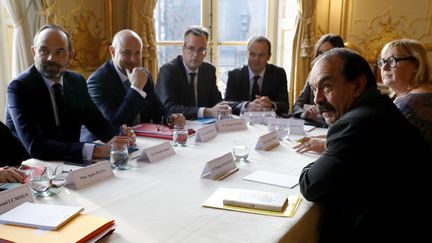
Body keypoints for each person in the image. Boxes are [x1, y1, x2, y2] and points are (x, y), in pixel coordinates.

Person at [299, 48, 430, 243]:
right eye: (313, 88)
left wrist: (316, 163)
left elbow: (310, 185)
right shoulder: (378, 108)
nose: (317, 99)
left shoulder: (355, 123)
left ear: (358, 86)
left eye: (326, 86)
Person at [6, 24, 134, 163]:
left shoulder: (76, 82)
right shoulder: (19, 88)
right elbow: (36, 147)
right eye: (44, 50)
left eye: (59, 52)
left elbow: (99, 125)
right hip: (32, 169)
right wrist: (95, 151)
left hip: (72, 165)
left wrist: (121, 136)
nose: (51, 58)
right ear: (33, 52)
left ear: (70, 55)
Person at [82, 29, 184, 141]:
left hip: (141, 140)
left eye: (137, 53)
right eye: (127, 53)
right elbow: (113, 125)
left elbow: (157, 109)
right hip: (105, 145)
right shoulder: (97, 82)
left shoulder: (143, 74)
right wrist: (136, 88)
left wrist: (170, 118)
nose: (133, 60)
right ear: (112, 51)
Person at [155, 26, 229, 120]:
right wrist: (207, 112)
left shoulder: (209, 70)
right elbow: (169, 108)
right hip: (177, 128)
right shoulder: (168, 71)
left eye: (201, 50)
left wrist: (223, 107)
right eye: (191, 48)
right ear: (183, 49)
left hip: (205, 128)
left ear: (206, 52)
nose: (195, 55)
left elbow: (216, 100)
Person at [378, 38, 432, 149]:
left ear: (416, 65)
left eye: (391, 60)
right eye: (382, 61)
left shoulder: (411, 103)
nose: (384, 67)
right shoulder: (416, 95)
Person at [224, 36, 289, 116]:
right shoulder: (234, 75)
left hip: (268, 124)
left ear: (269, 57)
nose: (256, 59)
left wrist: (271, 105)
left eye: (261, 55)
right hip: (242, 123)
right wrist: (246, 106)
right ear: (247, 54)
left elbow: (285, 106)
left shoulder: (278, 74)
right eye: (252, 54)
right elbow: (227, 104)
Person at [292, 34, 345, 127]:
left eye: (328, 53)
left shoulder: (342, 79)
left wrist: (323, 114)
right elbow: (297, 105)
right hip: (313, 126)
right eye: (320, 53)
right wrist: (304, 114)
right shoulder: (312, 76)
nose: (322, 57)